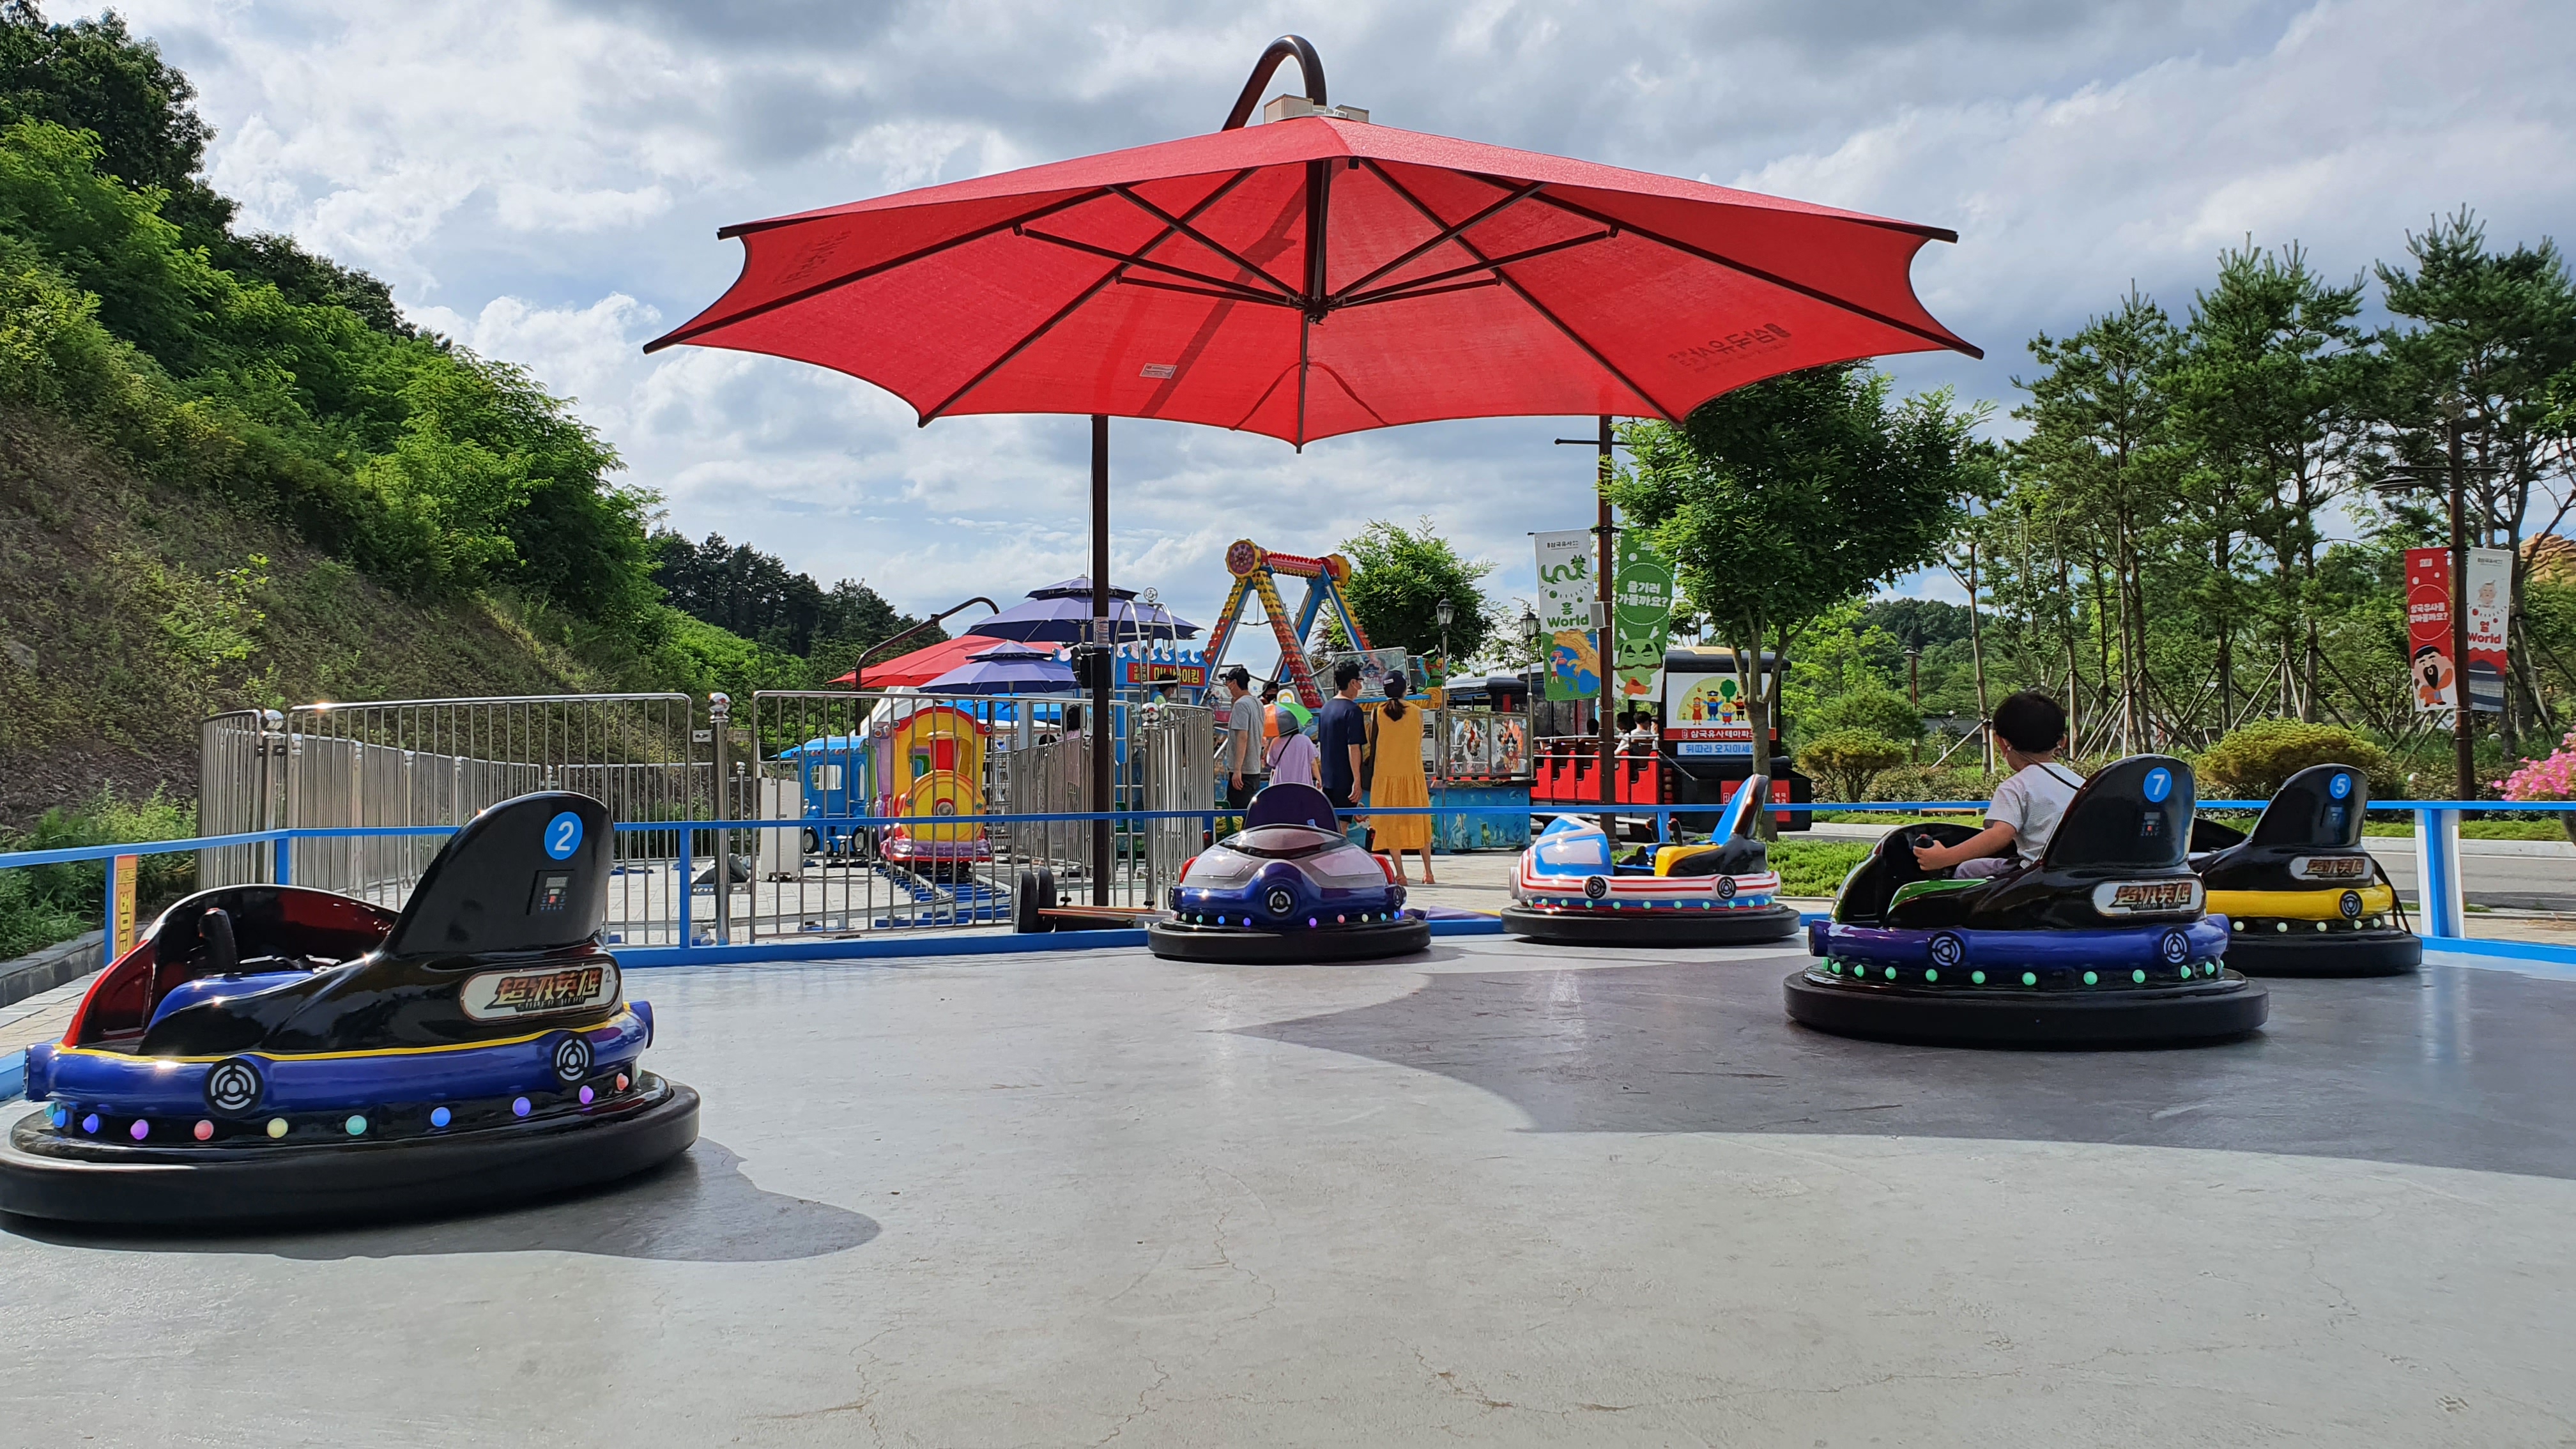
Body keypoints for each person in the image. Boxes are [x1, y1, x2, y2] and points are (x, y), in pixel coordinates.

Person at [1913, 691, 2083, 880]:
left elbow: (2000, 834)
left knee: (1967, 870)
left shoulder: (2017, 787)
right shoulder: (2081, 783)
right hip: (2078, 874)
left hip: (2034, 876)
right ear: (2062, 742)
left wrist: (1944, 858)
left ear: (2001, 743)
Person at [1367, 669, 1436, 884]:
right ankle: (1428, 872)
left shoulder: (1376, 713)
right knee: (1421, 822)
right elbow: (1418, 738)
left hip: (1385, 776)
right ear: (1405, 688)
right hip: (1412, 774)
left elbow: (1373, 741)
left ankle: (1400, 873)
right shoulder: (1417, 712)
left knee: (1391, 825)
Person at [1316, 660, 1368, 815]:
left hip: (1327, 779)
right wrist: (1357, 780)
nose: (1361, 685)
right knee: (1343, 824)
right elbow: (1354, 747)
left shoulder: (1325, 709)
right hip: (1345, 780)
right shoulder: (1353, 711)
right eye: (1360, 681)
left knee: (1330, 824)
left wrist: (1321, 776)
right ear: (1353, 682)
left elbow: (1321, 745)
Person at [1218, 665, 1266, 811]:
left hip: (1243, 772)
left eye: (1228, 682)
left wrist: (1237, 769)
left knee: (1238, 814)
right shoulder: (1257, 703)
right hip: (1254, 770)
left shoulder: (1241, 705)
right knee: (1250, 814)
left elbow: (1242, 736)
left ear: (1234, 683)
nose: (1227, 686)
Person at [1266, 704, 1318, 788]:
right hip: (1303, 785)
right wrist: (1319, 780)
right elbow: (1313, 763)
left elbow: (1270, 763)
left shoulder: (1275, 742)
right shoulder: (1305, 740)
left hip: (1281, 785)